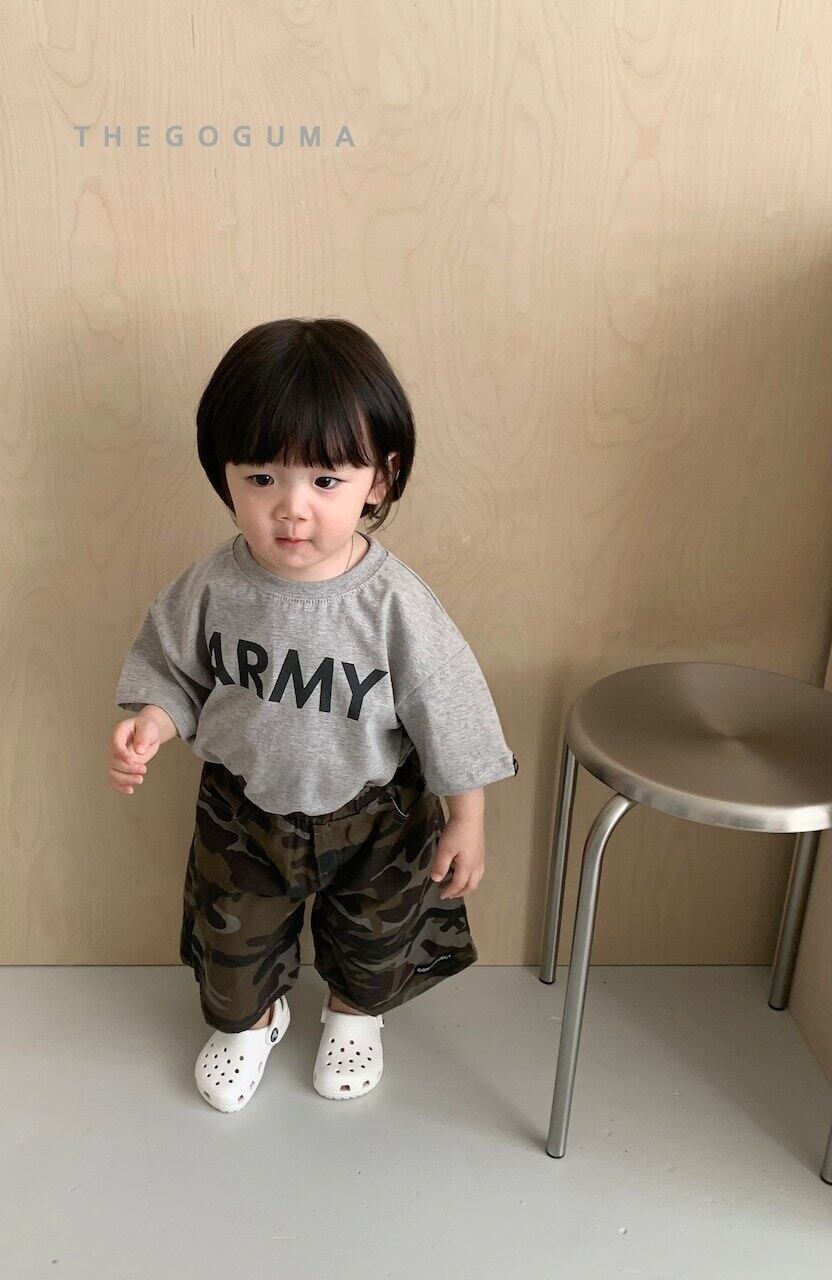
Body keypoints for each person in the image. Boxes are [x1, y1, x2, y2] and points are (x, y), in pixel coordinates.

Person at [109, 317, 519, 1113]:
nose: (291, 510)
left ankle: (355, 1013)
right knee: (231, 938)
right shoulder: (212, 588)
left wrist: (468, 819)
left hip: (374, 813)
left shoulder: (395, 606)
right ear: (224, 474)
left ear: (380, 480)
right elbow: (172, 669)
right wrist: (151, 722)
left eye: (326, 481)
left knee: (375, 934)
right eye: (262, 477)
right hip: (242, 809)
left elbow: (453, 712)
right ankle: (252, 1021)